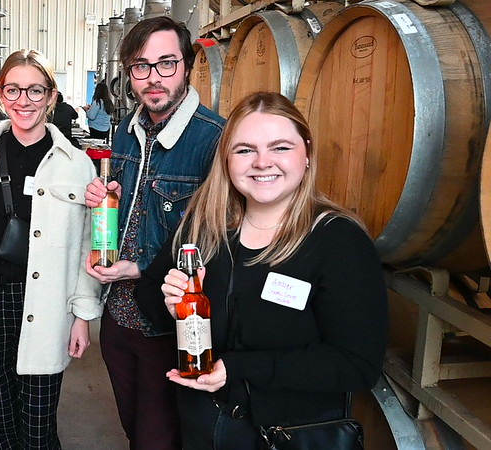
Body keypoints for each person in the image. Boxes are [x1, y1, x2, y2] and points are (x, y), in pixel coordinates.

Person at [137, 92, 388, 449]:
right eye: (245, 150)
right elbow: (146, 294)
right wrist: (169, 305)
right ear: (226, 159)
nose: (262, 162)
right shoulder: (203, 225)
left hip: (288, 435)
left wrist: (237, 367)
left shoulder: (338, 241)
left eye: (280, 147)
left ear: (307, 153)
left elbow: (356, 365)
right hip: (201, 425)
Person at [0, 49, 103, 449]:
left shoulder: (76, 164)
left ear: (51, 95)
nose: (23, 100)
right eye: (12, 89)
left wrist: (82, 315)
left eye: (34, 90)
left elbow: (88, 245)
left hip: (46, 302)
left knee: (37, 425)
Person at [83, 16, 226, 450]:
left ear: (186, 66)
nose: (153, 78)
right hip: (117, 318)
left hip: (170, 326)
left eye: (166, 64)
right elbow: (126, 211)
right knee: (133, 429)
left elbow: (217, 240)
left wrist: (141, 268)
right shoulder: (125, 131)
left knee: (162, 439)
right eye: (141, 66)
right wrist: (99, 197)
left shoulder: (213, 140)